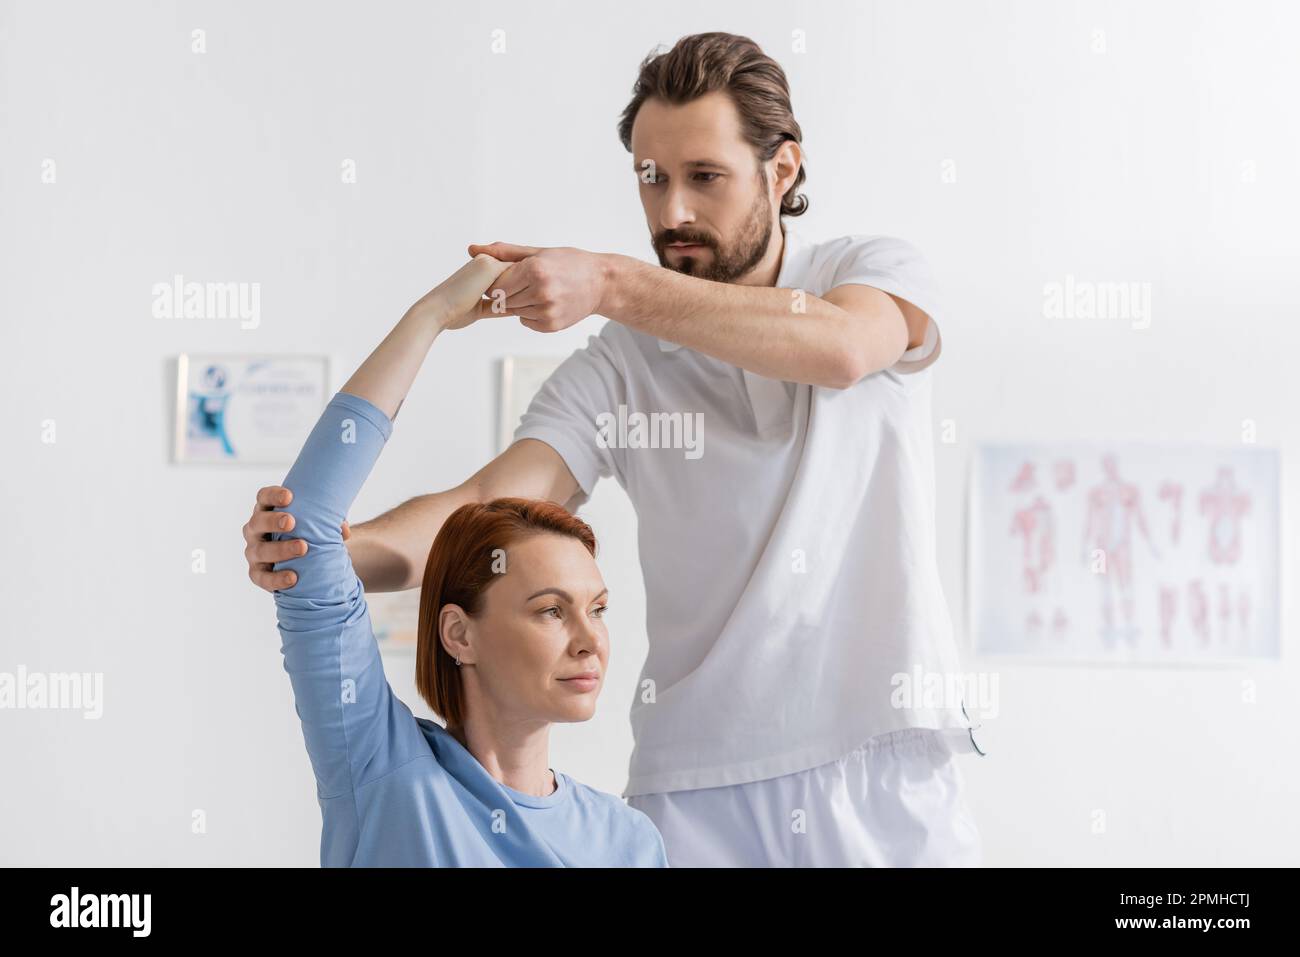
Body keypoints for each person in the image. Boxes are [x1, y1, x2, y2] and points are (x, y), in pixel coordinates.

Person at [245, 32, 984, 867]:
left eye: (704, 177)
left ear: (782, 173)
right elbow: (481, 510)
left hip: (876, 758)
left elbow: (845, 350)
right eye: (650, 177)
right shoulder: (622, 368)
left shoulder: (869, 273)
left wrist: (606, 283)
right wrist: (323, 554)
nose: (671, 211)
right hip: (695, 784)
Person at [269, 253, 668, 867]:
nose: (591, 641)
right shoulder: (385, 773)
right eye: (550, 612)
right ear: (459, 633)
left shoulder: (628, 841)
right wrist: (431, 316)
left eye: (598, 608)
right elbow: (307, 529)